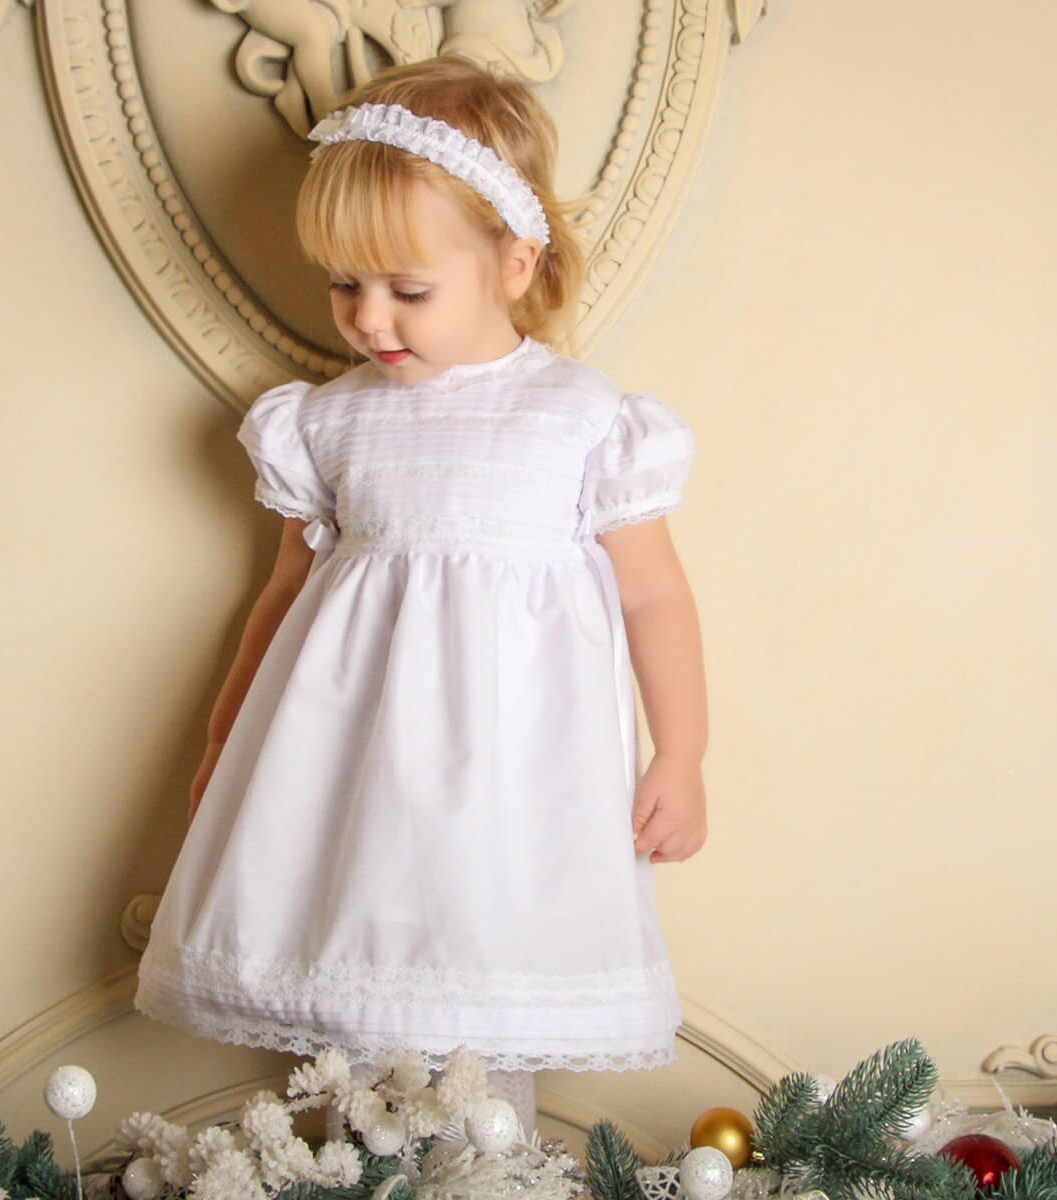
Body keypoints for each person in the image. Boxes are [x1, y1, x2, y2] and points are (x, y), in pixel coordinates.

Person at [136, 55, 708, 1136]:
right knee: (350, 1016)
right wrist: (224, 741)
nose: (365, 318)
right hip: (347, 777)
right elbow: (282, 596)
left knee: (490, 1009)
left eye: (408, 289)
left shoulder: (581, 417)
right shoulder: (330, 420)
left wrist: (680, 755)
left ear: (513, 261)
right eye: (344, 284)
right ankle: (358, 1160)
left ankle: (496, 1163)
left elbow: (654, 601)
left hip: (515, 783)